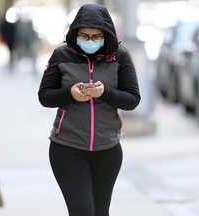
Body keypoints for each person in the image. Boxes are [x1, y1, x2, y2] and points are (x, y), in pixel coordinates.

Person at [38, 3, 140, 216]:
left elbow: (132, 99)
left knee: (100, 212)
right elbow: (45, 96)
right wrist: (70, 94)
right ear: (75, 33)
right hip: (67, 148)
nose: (90, 41)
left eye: (96, 37)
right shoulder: (61, 55)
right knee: (82, 210)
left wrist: (105, 93)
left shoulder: (120, 57)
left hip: (108, 150)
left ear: (106, 35)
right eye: (84, 35)